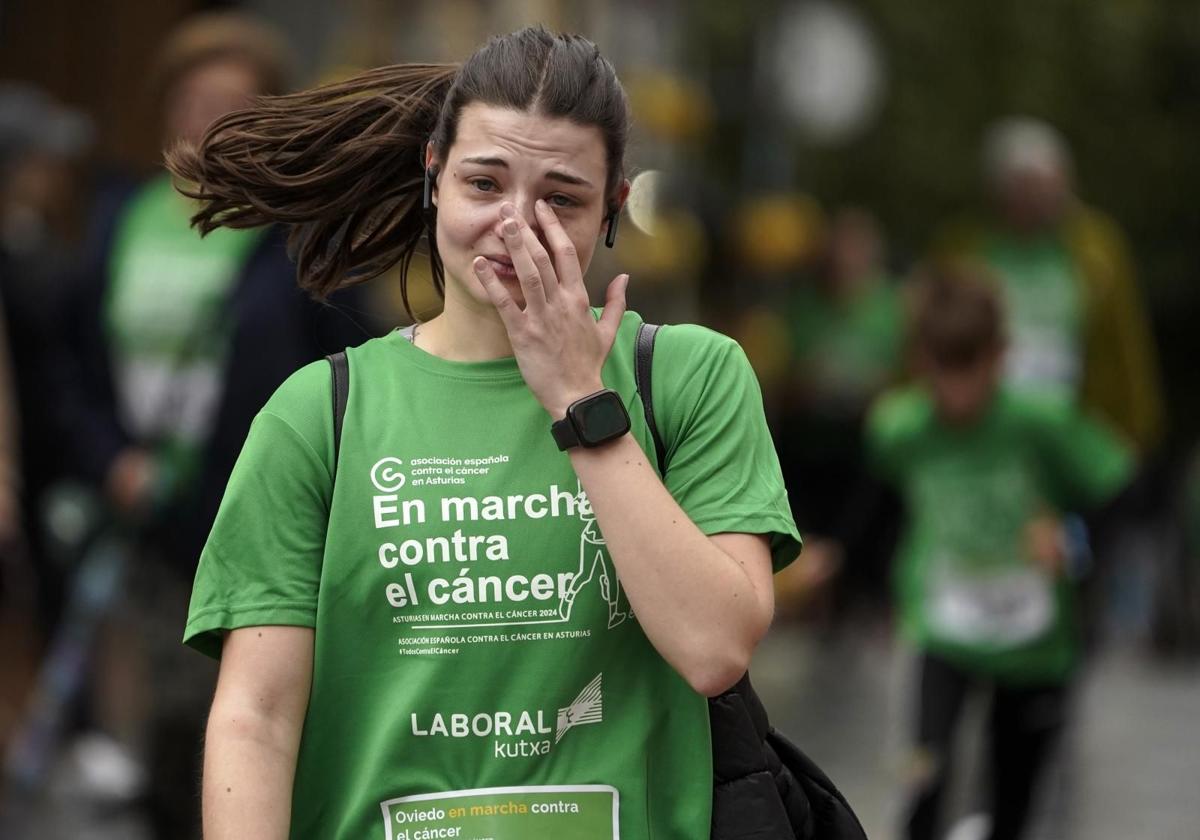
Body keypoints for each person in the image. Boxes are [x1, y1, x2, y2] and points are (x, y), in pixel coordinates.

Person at [171, 25, 800, 840]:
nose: (516, 224)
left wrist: (581, 400)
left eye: (562, 198)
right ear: (435, 176)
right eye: (485, 182)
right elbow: (255, 717)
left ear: (612, 211)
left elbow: (715, 648)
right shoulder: (318, 413)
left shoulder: (687, 379)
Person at [51, 12, 372, 837]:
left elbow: (351, 363)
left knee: (246, 704)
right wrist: (108, 459)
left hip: (260, 503)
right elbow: (71, 362)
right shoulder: (121, 215)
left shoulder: (301, 233)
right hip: (146, 505)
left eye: (233, 102)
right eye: (194, 99)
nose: (208, 119)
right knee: (157, 712)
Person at [866, 267, 1134, 840]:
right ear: (922, 361)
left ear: (1001, 355)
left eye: (973, 371)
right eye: (945, 372)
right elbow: (880, 510)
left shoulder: (1043, 421)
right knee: (924, 783)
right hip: (944, 628)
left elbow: (1120, 492)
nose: (958, 393)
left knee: (1015, 802)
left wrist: (1073, 538)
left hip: (1032, 642)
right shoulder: (901, 428)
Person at [932, 116, 1164, 454]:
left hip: (1076, 429)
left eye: (1055, 182)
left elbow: (1124, 343)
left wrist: (1136, 426)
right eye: (1032, 185)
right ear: (1000, 189)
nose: (1049, 195)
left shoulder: (1098, 246)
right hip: (983, 433)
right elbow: (931, 338)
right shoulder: (963, 248)